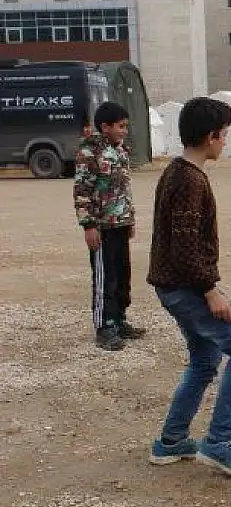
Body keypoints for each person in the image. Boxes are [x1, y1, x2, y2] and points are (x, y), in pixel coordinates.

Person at [147, 97, 231, 477]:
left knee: (204, 360)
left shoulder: (177, 172)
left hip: (173, 286)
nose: (226, 141)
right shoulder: (189, 180)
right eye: (224, 134)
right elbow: (184, 247)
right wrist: (210, 290)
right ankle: (219, 444)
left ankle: (171, 440)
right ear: (210, 136)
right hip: (186, 288)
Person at [73, 101, 146, 351]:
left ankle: (119, 319)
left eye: (126, 126)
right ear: (105, 127)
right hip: (102, 227)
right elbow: (82, 190)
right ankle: (104, 326)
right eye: (121, 126)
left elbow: (124, 189)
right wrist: (88, 225)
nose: (125, 130)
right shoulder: (90, 151)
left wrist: (130, 219)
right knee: (105, 278)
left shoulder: (120, 150)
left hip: (120, 224)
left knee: (122, 275)